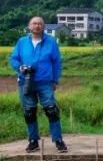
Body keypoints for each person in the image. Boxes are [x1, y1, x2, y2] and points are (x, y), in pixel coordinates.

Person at [9, 16, 66, 153]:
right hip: (26, 81)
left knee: (52, 111)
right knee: (29, 112)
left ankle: (58, 140)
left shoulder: (51, 42)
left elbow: (57, 62)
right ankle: (33, 141)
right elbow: (13, 58)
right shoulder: (22, 42)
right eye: (34, 23)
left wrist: (55, 80)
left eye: (40, 23)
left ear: (44, 27)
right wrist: (20, 67)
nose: (37, 26)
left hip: (45, 82)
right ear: (29, 26)